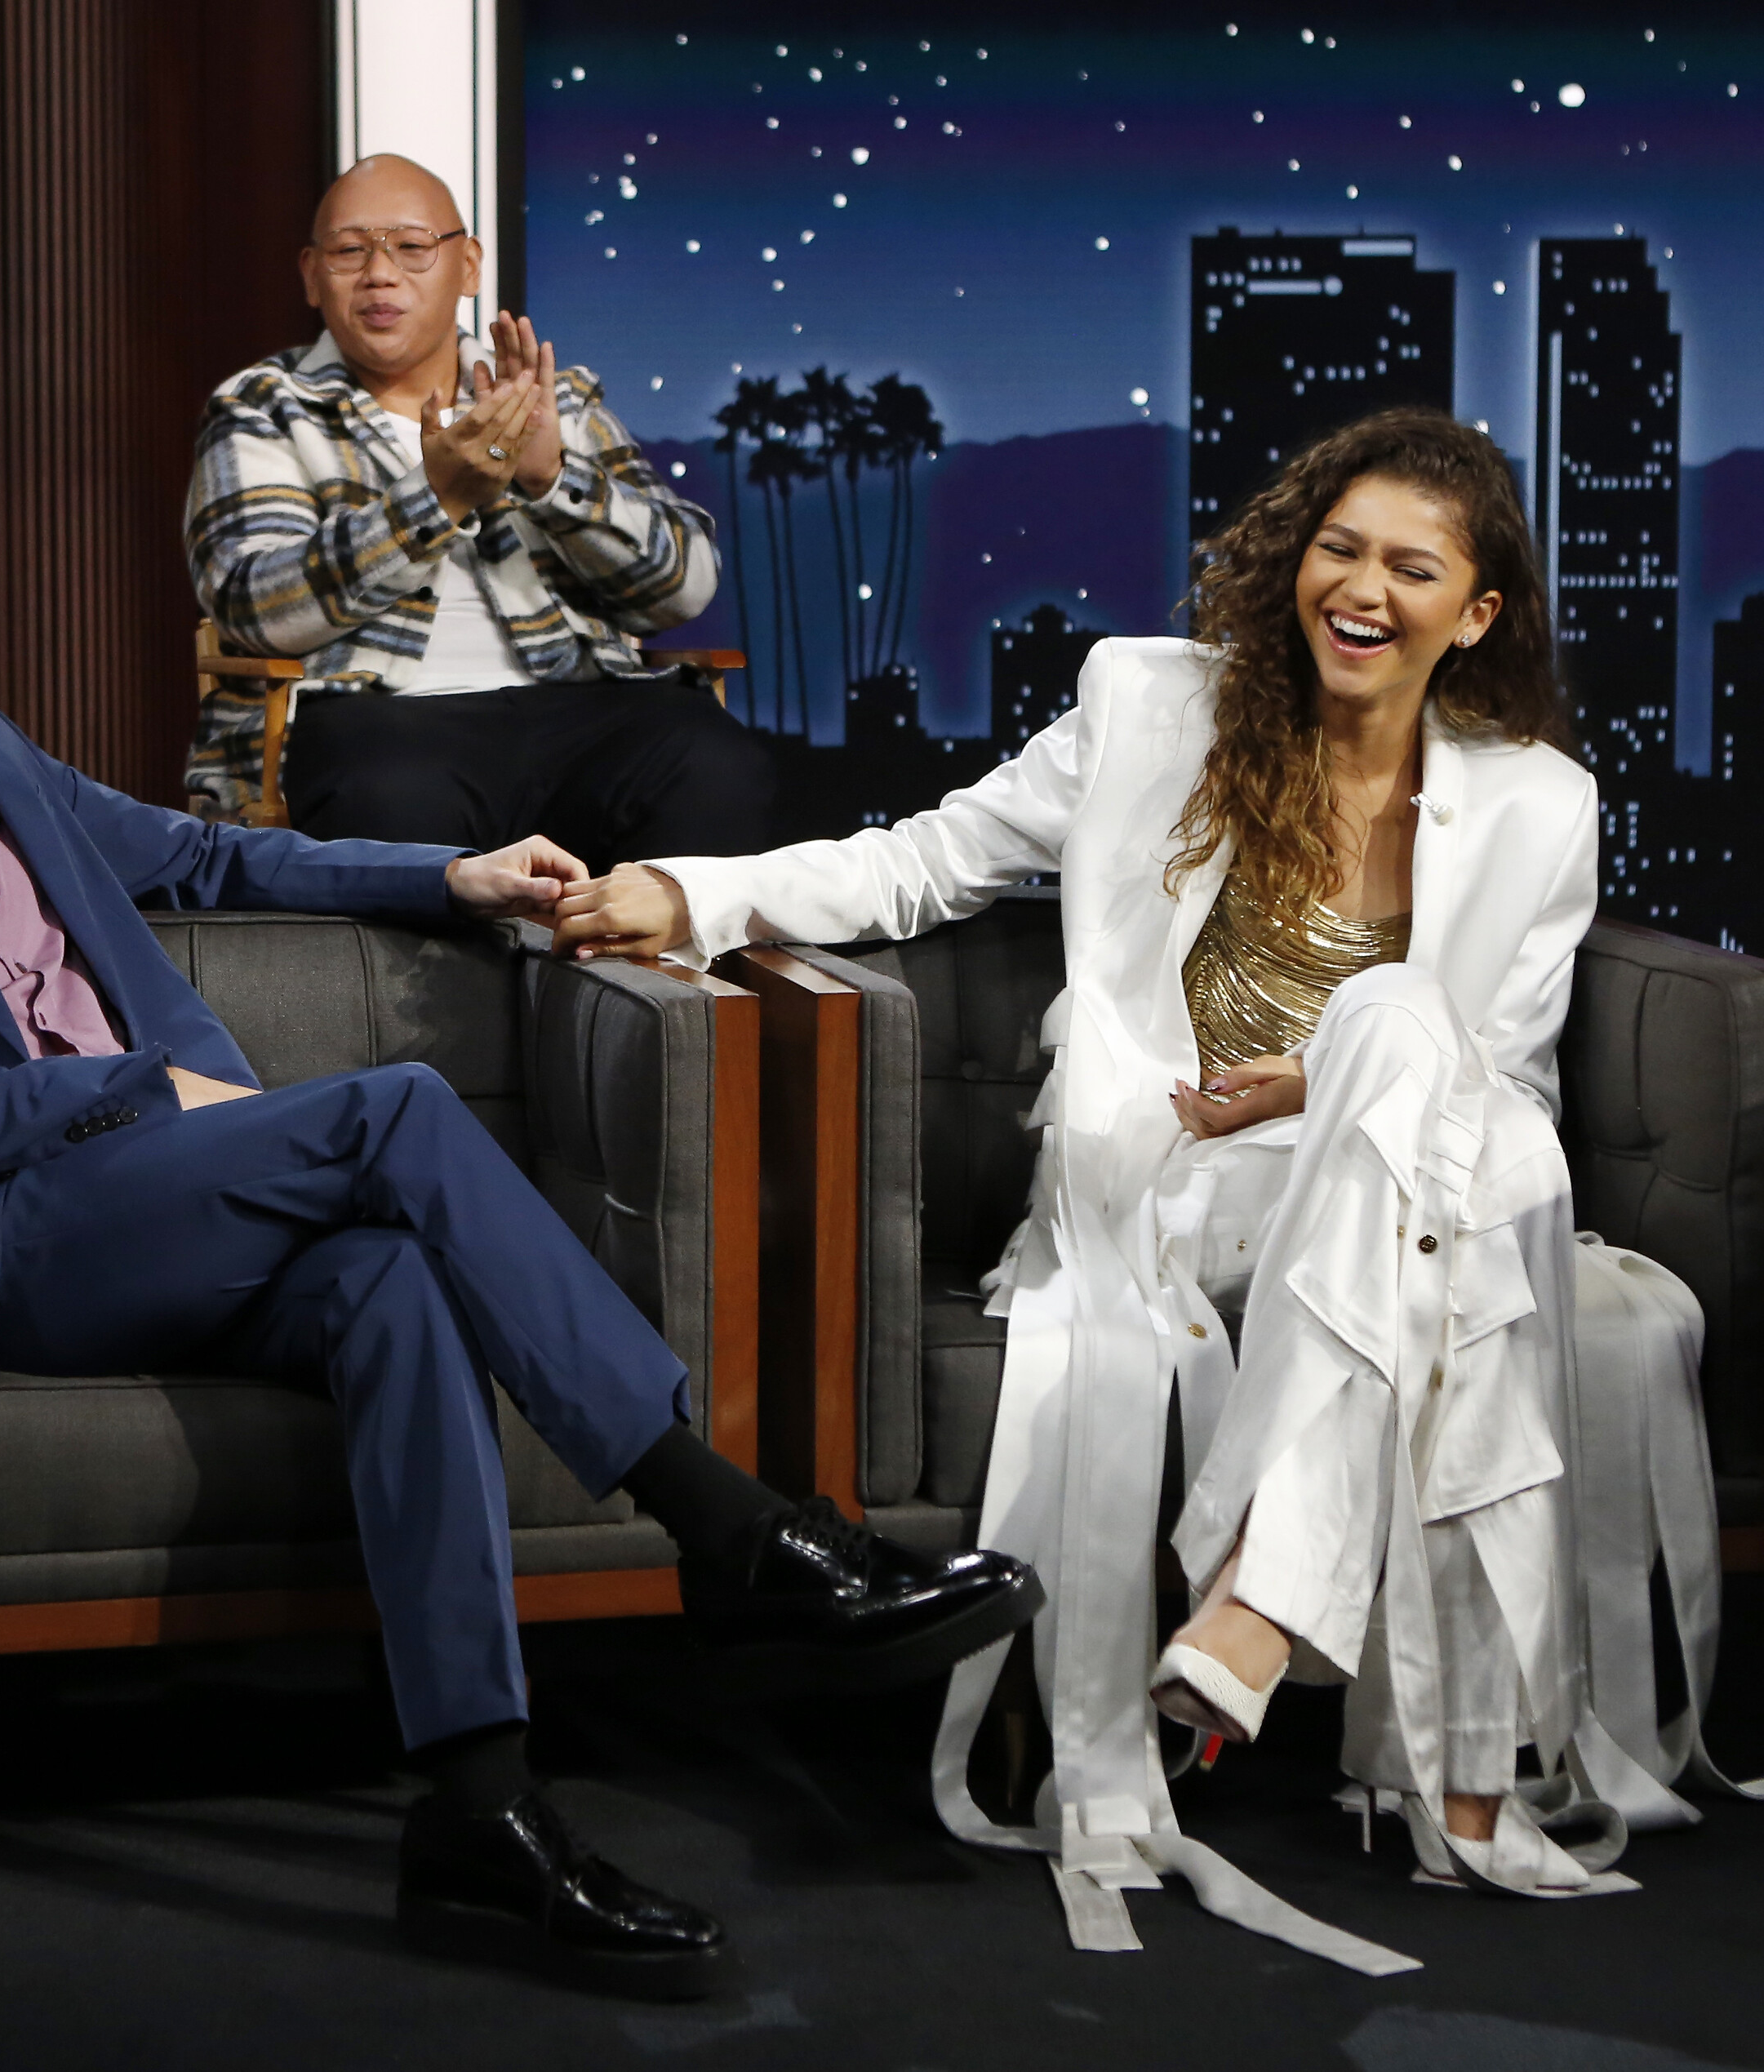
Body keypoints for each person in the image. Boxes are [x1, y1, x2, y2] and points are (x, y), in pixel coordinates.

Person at [0, 387, 1041, 1995]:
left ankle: (481, 1806)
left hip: (146, 1195)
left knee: (387, 1286)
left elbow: (208, 857)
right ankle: (733, 1529)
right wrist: (136, 1089)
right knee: (396, 1114)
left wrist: (449, 875)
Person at [554, 409, 1645, 1941]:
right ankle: (1393, 1709)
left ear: (1475, 614)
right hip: (1185, 1183)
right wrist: (695, 892)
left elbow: (1503, 1093)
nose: (1361, 588)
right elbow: (927, 857)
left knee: (1404, 1032)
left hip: (1399, 1187)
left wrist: (1328, 1077)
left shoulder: (1537, 802)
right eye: (1339, 548)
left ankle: (1261, 1597)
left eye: (1413, 568)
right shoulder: (1153, 706)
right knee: (1417, 1098)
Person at [183, 153, 773, 865]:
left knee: (712, 761)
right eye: (350, 251)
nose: (379, 273)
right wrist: (435, 500)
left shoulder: (555, 399)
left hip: (577, 704)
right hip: (378, 717)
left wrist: (551, 478)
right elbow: (254, 607)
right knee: (387, 791)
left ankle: (638, 946)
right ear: (312, 275)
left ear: (467, 267)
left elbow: (686, 587)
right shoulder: (266, 407)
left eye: (411, 246)